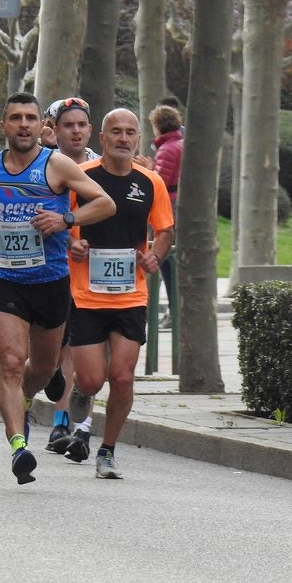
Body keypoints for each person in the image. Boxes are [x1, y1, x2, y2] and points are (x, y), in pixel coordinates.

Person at [0, 92, 116, 485]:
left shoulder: (56, 165)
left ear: (38, 125)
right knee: (11, 363)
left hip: (50, 282)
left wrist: (66, 218)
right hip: (5, 281)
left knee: (42, 368)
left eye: (30, 117)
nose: (24, 124)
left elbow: (105, 203)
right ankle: (18, 447)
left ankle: (26, 400)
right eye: (16, 118)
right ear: (4, 125)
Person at [62, 108, 175, 477]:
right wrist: (72, 243)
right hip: (87, 295)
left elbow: (165, 230)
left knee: (122, 377)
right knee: (93, 380)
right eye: (116, 132)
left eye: (131, 132)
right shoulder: (82, 178)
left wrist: (155, 255)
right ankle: (81, 392)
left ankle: (107, 450)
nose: (124, 138)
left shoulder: (151, 182)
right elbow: (62, 221)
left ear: (139, 140)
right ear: (103, 139)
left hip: (131, 296)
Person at [41, 96, 100, 453]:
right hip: (53, 270)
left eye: (81, 125)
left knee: (84, 350)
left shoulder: (102, 166)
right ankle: (61, 416)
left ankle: (77, 425)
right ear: (53, 129)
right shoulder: (44, 168)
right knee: (57, 350)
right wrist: (67, 243)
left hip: (95, 275)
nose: (76, 131)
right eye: (68, 125)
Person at [150, 103, 183, 329]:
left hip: (168, 208)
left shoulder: (167, 149)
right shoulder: (182, 144)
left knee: (166, 262)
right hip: (180, 206)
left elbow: (158, 182)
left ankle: (173, 310)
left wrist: (147, 170)